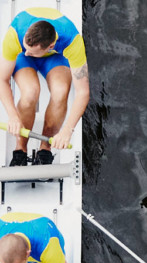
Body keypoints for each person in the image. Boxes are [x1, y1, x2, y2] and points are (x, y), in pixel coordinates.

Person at [0, 7, 89, 166]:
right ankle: (20, 150)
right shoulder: (15, 35)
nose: (27, 52)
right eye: (26, 48)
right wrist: (13, 116)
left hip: (55, 58)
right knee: (30, 93)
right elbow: (2, 80)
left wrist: (67, 130)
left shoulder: (72, 41)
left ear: (51, 45)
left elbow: (83, 92)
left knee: (60, 91)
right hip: (23, 60)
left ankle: (45, 149)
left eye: (31, 51)